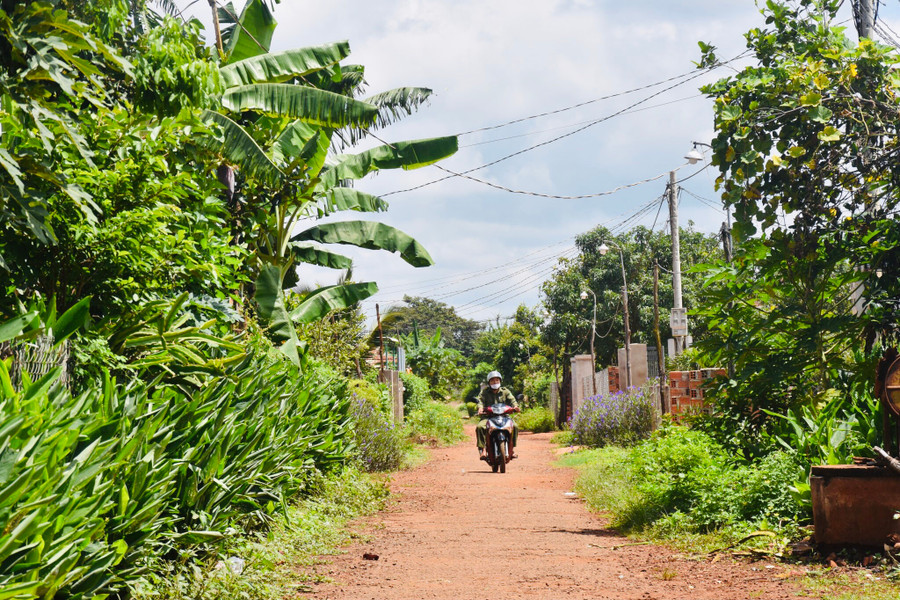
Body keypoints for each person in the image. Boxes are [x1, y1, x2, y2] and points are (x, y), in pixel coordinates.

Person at [475, 370, 520, 460]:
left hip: (504, 416)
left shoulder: (505, 391)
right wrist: (480, 408)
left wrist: (515, 406)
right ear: (489, 382)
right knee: (480, 427)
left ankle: (512, 449)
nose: (495, 382)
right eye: (492, 380)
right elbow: (480, 401)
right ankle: (483, 449)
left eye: (497, 380)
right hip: (488, 417)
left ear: (500, 381)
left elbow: (512, 400)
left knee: (514, 426)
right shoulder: (484, 392)